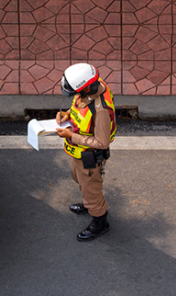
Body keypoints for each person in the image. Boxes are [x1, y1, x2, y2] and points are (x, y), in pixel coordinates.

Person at [54, 63, 117, 241]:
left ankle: (100, 222)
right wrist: (67, 115)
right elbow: (81, 109)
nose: (75, 96)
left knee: (92, 193)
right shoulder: (93, 86)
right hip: (79, 154)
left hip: (89, 157)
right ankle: (90, 202)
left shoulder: (101, 111)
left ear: (87, 88)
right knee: (79, 179)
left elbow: (102, 142)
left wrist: (70, 135)